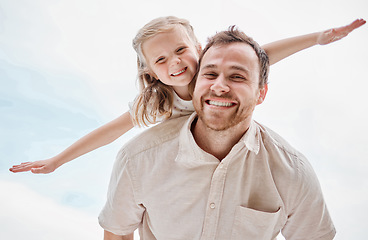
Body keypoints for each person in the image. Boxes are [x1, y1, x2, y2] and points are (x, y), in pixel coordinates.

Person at [9, 16, 365, 174]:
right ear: (150, 71)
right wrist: (57, 160)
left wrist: (319, 37)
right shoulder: (155, 100)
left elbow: (264, 53)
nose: (175, 62)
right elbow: (110, 131)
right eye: (161, 59)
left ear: (197, 47)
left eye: (180, 50)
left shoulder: (216, 75)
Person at [99, 26, 336, 240]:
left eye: (237, 77)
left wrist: (317, 38)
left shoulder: (293, 171)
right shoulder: (137, 159)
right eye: (210, 74)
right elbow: (117, 233)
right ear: (195, 83)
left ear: (261, 93)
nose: (219, 86)